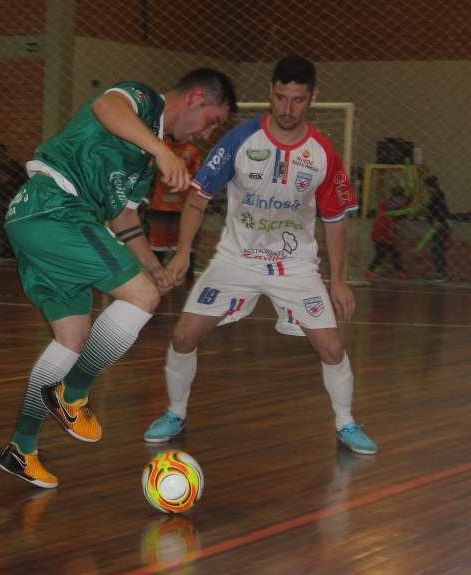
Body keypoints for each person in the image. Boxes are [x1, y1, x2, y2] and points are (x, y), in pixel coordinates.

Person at [0, 69, 238, 488]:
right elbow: (106, 107)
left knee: (70, 339)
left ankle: (21, 447)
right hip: (57, 208)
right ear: (195, 98)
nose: (204, 133)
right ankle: (72, 396)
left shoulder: (143, 159)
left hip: (34, 218)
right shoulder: (143, 99)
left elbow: (123, 217)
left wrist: (153, 266)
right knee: (141, 299)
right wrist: (161, 150)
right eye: (211, 120)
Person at [144, 55, 378, 456]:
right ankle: (176, 412)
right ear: (270, 92)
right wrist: (183, 252)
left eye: (298, 100)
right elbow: (198, 199)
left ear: (313, 98)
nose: (288, 109)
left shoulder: (322, 152)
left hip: (296, 267)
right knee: (183, 336)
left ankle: (346, 422)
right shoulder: (239, 140)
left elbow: (335, 218)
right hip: (236, 260)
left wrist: (338, 279)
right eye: (281, 97)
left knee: (332, 348)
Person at [146, 139, 201, 275]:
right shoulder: (159, 146)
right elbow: (148, 172)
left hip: (182, 209)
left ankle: (188, 286)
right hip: (160, 206)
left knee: (185, 248)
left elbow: (198, 177)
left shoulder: (192, 149)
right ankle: (158, 279)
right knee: (158, 246)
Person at [365, 186, 409, 280]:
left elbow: (400, 212)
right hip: (382, 232)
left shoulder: (389, 203)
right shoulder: (389, 205)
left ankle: (399, 271)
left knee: (391, 253)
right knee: (382, 254)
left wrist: (406, 204)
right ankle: (371, 271)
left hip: (384, 232)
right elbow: (399, 213)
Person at [0, 143, 25, 257]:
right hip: (1, 197)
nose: (1, 156)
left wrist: (15, 196)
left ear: (6, 153)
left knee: (13, 224)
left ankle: (14, 249)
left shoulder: (15, 166)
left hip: (14, 198)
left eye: (2, 153)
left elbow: (23, 181)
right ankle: (4, 249)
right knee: (1, 225)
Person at [424, 175, 451, 282]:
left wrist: (437, 221)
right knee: (436, 249)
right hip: (437, 224)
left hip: (439, 225)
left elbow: (441, 210)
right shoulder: (435, 194)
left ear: (428, 185)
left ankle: (442, 274)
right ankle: (440, 273)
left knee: (438, 249)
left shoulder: (437, 194)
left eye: (426, 186)